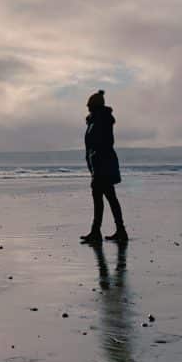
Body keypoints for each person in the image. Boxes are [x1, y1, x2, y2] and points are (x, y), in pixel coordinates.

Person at [80, 89, 128, 245]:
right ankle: (114, 230)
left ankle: (101, 231)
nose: (87, 107)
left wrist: (95, 159)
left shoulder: (100, 120)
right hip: (100, 165)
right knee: (106, 198)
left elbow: (100, 144)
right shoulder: (95, 120)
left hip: (103, 165)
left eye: (89, 104)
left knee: (104, 198)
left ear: (94, 105)